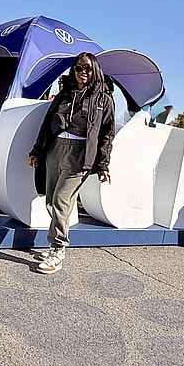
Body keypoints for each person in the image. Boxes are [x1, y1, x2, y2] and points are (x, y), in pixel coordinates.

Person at [28, 52, 115, 274]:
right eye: (78, 67)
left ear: (95, 69)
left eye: (87, 68)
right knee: (51, 201)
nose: (82, 72)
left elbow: (107, 133)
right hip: (56, 149)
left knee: (60, 200)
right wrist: (37, 150)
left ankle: (57, 249)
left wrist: (102, 164)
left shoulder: (103, 99)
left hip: (80, 155)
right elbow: (47, 123)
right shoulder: (64, 93)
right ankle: (58, 237)